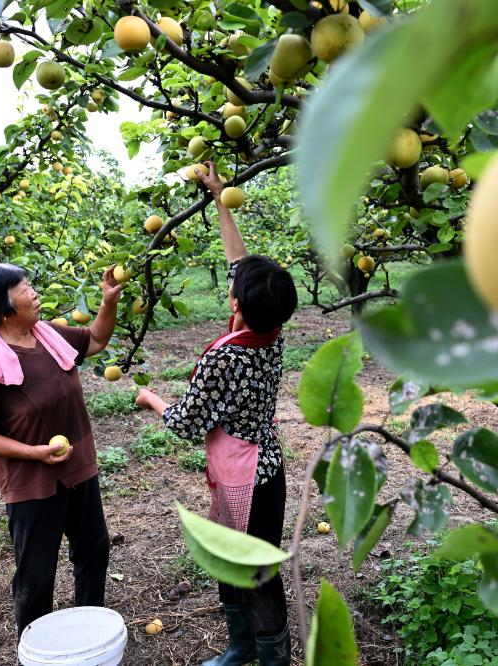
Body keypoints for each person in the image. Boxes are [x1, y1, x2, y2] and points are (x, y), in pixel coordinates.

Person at [136, 163, 298, 666]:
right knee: (242, 559)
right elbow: (242, 263)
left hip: (242, 475)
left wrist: (152, 399)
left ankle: (267, 653)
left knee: (248, 565)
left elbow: (186, 423)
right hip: (268, 466)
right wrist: (218, 198)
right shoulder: (271, 332)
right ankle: (243, 646)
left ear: (236, 302)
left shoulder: (225, 357)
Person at [0, 263, 123, 639]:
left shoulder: (49, 336)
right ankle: (36, 646)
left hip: (78, 470)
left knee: (94, 553)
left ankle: (89, 632)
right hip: (32, 483)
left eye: (29, 284)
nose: (33, 292)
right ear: (3, 308)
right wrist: (34, 453)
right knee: (35, 574)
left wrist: (108, 301)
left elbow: (95, 340)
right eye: (23, 288)